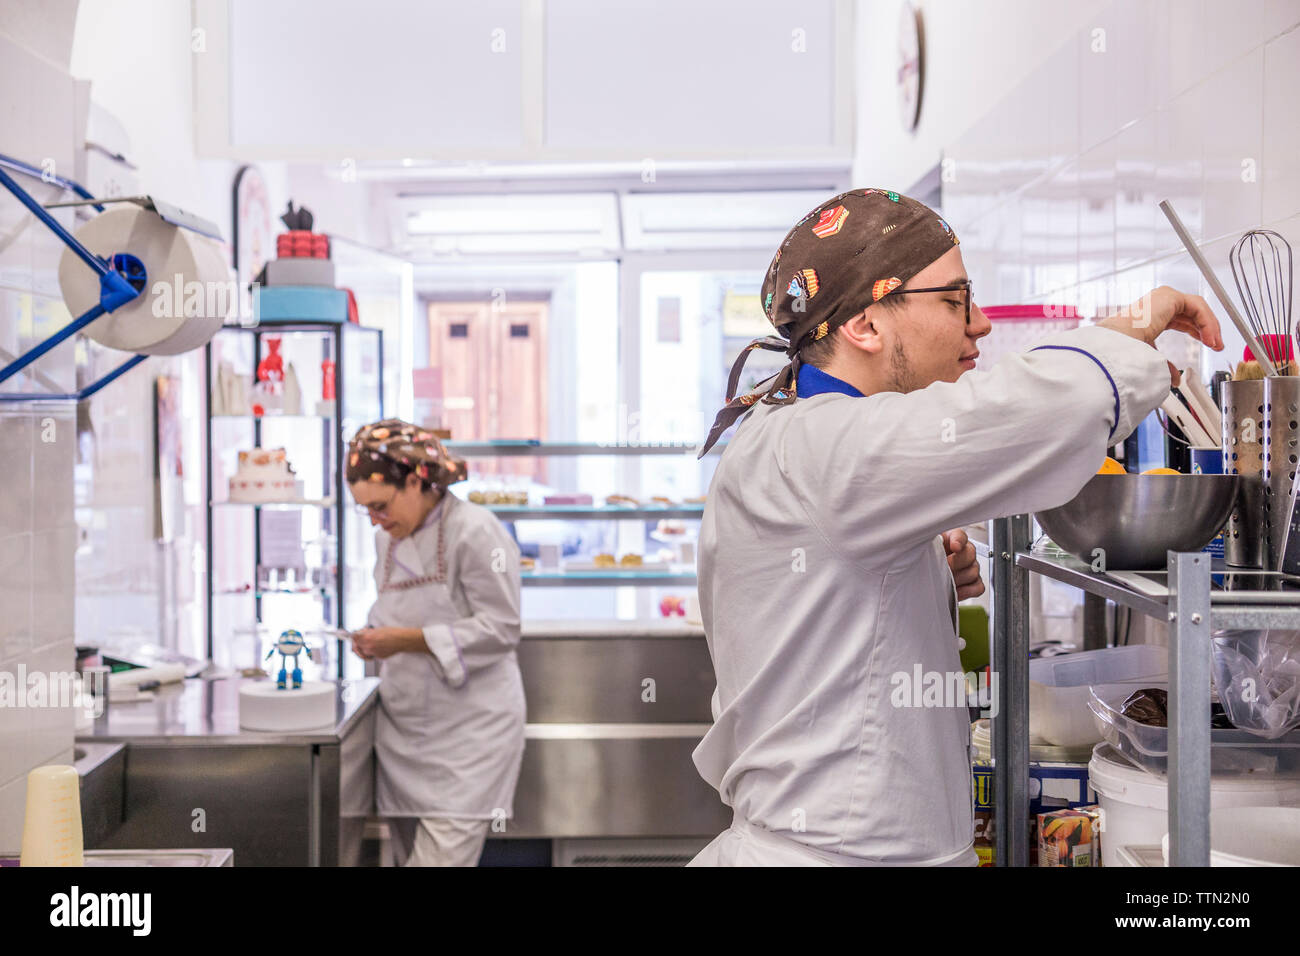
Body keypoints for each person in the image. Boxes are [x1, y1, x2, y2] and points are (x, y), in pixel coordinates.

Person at [689, 189, 1223, 866]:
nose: (982, 323)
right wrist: (1133, 332)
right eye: (954, 299)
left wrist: (918, 568)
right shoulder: (827, 450)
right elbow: (1022, 414)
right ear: (865, 324)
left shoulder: (801, 436)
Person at [346, 419, 525, 867]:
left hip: (469, 736)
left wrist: (403, 640)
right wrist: (372, 637)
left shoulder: (476, 531)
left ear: (416, 481)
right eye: (366, 510)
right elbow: (394, 608)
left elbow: (502, 628)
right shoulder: (386, 540)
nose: (376, 519)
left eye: (382, 505)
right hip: (404, 735)